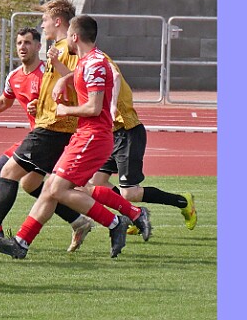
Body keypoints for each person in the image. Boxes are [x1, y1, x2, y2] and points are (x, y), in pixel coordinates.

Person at [0, 15, 152, 259]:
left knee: (58, 190)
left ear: (75, 37)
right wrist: (63, 77)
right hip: (84, 135)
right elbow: (78, 81)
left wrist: (65, 110)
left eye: (68, 38)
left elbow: (94, 107)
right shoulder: (86, 62)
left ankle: (116, 222)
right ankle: (21, 243)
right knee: (52, 188)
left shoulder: (95, 63)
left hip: (93, 136)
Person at [0, 0, 99, 254]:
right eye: (19, 43)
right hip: (50, 128)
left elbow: (77, 84)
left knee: (5, 173)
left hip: (53, 129)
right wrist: (40, 105)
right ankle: (80, 221)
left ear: (57, 21)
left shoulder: (66, 51)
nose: (43, 25)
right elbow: (56, 89)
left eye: (45, 20)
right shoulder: (46, 57)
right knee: (32, 184)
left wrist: (55, 101)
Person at [79, 52, 198, 237]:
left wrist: (112, 106)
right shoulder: (81, 61)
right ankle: (133, 215)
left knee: (129, 193)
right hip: (109, 134)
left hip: (127, 131)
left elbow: (115, 76)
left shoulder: (97, 59)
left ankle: (182, 201)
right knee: (97, 182)